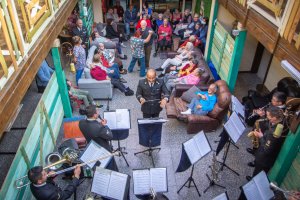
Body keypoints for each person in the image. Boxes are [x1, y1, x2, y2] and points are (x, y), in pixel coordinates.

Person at [246, 106, 287, 180]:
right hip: (264, 155)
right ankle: (252, 179)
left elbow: (267, 149)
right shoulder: (279, 121)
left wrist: (261, 136)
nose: (267, 117)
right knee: (256, 172)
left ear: (274, 118)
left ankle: (252, 184)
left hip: (264, 160)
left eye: (268, 116)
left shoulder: (274, 133)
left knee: (258, 175)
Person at [79, 105, 118, 171]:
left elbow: (92, 128)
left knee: (98, 169)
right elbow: (110, 136)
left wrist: (99, 124)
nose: (98, 113)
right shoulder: (99, 128)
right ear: (94, 115)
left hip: (92, 148)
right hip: (103, 152)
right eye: (97, 112)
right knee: (110, 169)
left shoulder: (81, 122)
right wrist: (105, 126)